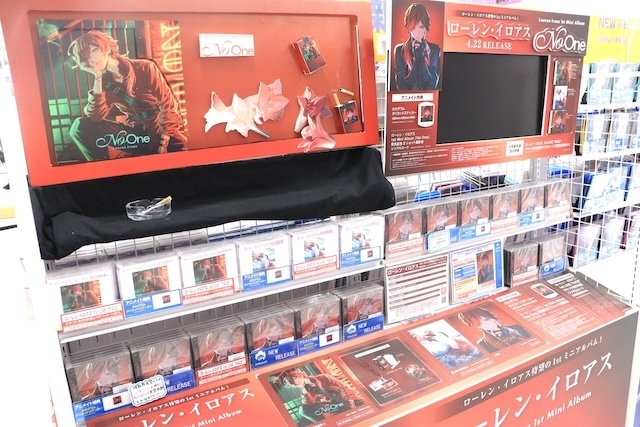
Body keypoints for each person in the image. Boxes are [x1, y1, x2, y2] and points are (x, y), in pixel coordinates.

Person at [67, 30, 187, 161]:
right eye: (86, 58)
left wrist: (164, 141)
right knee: (79, 126)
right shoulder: (105, 84)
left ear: (106, 48)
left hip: (161, 130)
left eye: (94, 51)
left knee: (184, 154)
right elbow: (96, 116)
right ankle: (104, 168)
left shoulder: (145, 67)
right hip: (136, 134)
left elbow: (168, 105)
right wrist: (98, 77)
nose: (91, 59)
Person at [282, 369, 365, 419]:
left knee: (364, 404)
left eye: (293, 379)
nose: (293, 384)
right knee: (302, 410)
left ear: (298, 376)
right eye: (291, 384)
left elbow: (344, 388)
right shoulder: (306, 390)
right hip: (334, 407)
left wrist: (351, 404)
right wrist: (302, 388)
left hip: (347, 399)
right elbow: (309, 402)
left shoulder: (323, 377)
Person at [394, 3, 441, 91]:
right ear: (408, 28)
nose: (417, 32)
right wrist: (416, 61)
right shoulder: (400, 50)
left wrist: (422, 59)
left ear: (426, 27)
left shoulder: (434, 50)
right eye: (413, 28)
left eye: (421, 27)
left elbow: (432, 85)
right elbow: (401, 86)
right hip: (407, 98)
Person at [458, 307, 530, 353]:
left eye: (487, 319)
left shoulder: (518, 327)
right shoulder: (482, 345)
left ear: (491, 315)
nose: (489, 324)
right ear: (478, 327)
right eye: (480, 324)